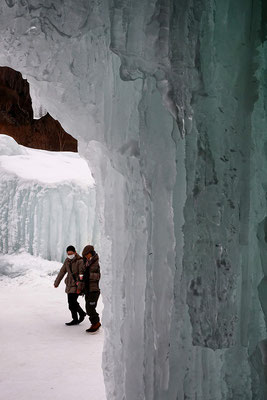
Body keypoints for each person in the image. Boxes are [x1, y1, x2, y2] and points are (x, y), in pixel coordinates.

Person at [54, 245, 86, 326]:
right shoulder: (67, 261)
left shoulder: (80, 261)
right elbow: (62, 272)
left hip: (77, 285)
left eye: (71, 253)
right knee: (71, 303)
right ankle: (77, 317)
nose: (70, 255)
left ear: (75, 252)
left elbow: (81, 275)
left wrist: (79, 287)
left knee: (72, 302)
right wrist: (56, 283)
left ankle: (80, 315)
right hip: (69, 284)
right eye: (68, 254)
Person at [82, 245, 101, 333]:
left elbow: (101, 276)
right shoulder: (86, 262)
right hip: (88, 288)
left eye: (87, 254)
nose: (86, 256)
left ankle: (96, 323)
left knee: (90, 307)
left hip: (95, 289)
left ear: (91, 253)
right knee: (88, 307)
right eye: (84, 255)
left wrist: (89, 275)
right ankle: (94, 323)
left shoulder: (98, 262)